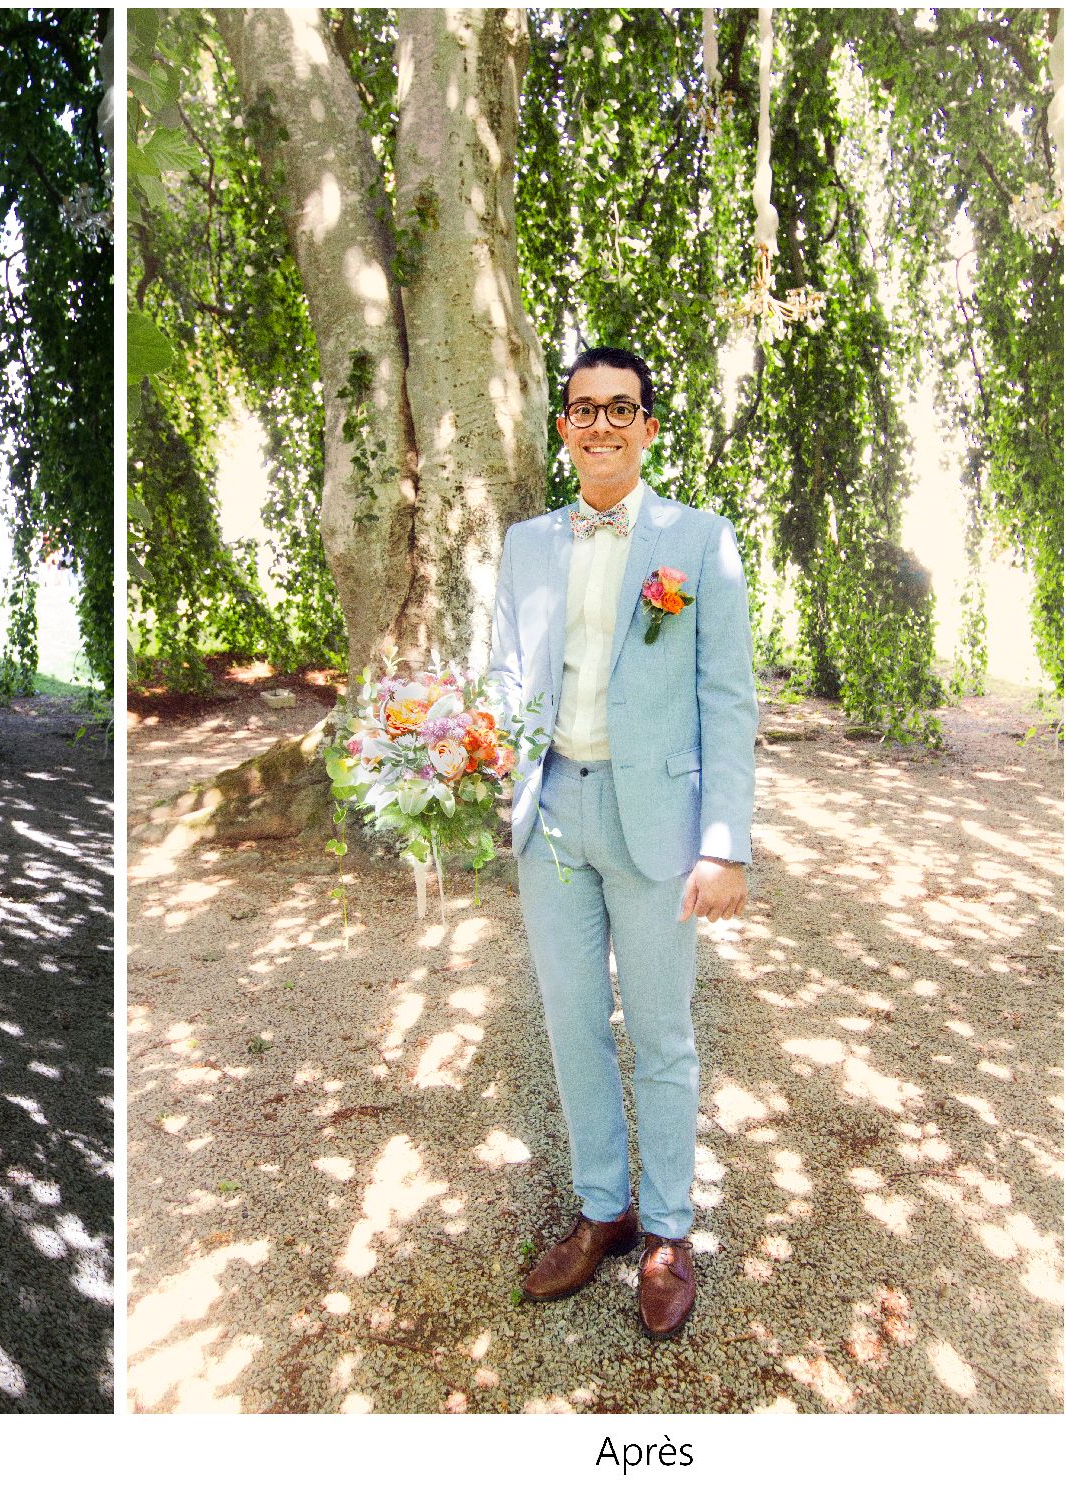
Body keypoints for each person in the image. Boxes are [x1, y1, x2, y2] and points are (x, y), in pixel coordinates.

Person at [486, 346, 757, 1341]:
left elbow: (727, 700)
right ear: (563, 427)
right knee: (571, 1024)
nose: (601, 425)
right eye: (582, 410)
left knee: (661, 1030)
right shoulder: (525, 545)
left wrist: (724, 842)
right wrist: (465, 754)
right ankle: (606, 1207)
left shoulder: (701, 541)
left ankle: (672, 1230)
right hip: (551, 813)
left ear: (647, 425)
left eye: (621, 409)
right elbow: (509, 680)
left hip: (659, 823)